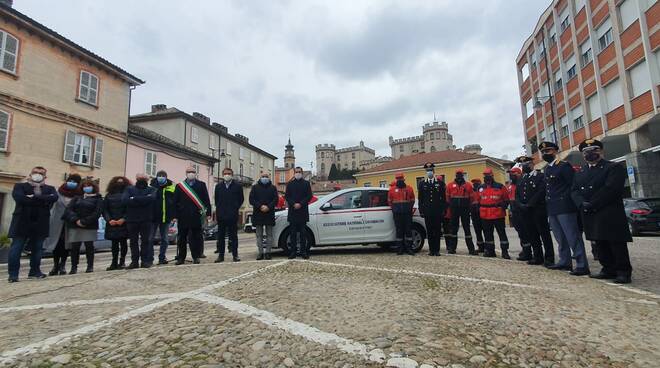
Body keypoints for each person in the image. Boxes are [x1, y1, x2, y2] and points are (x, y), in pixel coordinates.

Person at [572, 139, 630, 283]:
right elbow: (574, 191)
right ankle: (607, 268)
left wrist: (592, 203)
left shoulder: (613, 167)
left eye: (594, 150)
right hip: (590, 212)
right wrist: (581, 204)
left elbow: (611, 189)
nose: (590, 154)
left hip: (609, 211)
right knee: (600, 242)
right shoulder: (580, 172)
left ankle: (623, 271)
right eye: (586, 152)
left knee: (616, 243)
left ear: (601, 151)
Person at [539, 141, 589, 275]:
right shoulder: (547, 168)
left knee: (572, 236)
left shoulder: (563, 166)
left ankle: (581, 264)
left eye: (548, 151)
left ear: (555, 151)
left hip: (565, 206)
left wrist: (570, 202)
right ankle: (564, 261)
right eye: (543, 152)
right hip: (552, 207)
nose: (545, 154)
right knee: (560, 237)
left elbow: (572, 185)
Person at [7, 167, 58, 283]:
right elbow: (20, 198)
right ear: (30, 174)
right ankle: (13, 275)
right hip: (22, 221)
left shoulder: (50, 188)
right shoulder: (20, 186)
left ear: (45, 176)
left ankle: (35, 271)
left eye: (41, 173)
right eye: (35, 173)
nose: (38, 175)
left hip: (41, 222)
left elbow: (54, 198)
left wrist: (34, 197)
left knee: (38, 249)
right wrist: (43, 200)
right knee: (16, 248)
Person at [516, 156, 555, 266]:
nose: (524, 166)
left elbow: (541, 191)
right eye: (521, 164)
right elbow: (517, 195)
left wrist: (530, 204)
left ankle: (549, 258)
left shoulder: (540, 176)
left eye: (526, 163)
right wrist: (520, 204)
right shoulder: (521, 179)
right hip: (525, 211)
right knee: (532, 234)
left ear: (532, 164)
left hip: (538, 210)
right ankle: (537, 256)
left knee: (544, 234)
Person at [44, 173, 82, 276]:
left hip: (71, 222)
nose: (72, 183)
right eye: (71, 180)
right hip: (57, 222)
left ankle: (63, 265)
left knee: (66, 245)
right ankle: (55, 265)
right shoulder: (58, 192)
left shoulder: (79, 195)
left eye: (75, 182)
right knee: (56, 244)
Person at [173, 166, 212, 265]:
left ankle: (196, 257)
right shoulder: (180, 186)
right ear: (186, 173)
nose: (191, 173)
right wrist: (174, 215)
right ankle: (181, 258)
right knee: (182, 238)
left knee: (195, 237)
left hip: (196, 215)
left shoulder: (201, 185)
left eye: (193, 172)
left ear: (195, 173)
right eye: (189, 172)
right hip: (183, 216)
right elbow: (175, 202)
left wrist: (208, 213)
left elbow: (206, 200)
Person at [63, 178, 102, 274]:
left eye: (88, 186)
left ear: (93, 187)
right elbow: (68, 210)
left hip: (90, 225)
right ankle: (74, 267)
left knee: (89, 246)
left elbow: (97, 213)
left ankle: (90, 266)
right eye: (84, 186)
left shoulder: (98, 199)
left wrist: (85, 221)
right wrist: (76, 220)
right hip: (75, 225)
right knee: (74, 247)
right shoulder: (77, 198)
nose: (86, 188)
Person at [122, 173, 156, 269]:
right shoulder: (129, 189)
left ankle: (144, 261)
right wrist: (145, 199)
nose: (142, 180)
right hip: (132, 219)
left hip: (146, 219)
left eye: (144, 178)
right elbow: (125, 200)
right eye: (140, 178)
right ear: (136, 178)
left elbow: (152, 198)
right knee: (133, 241)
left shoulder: (152, 189)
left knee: (146, 241)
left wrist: (134, 198)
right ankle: (134, 261)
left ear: (147, 180)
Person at [477, 168, 510, 258]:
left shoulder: (500, 186)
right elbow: (477, 201)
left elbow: (506, 199)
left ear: (492, 176)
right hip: (485, 215)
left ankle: (504, 251)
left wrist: (503, 205)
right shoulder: (480, 188)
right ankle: (490, 251)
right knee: (487, 234)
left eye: (488, 175)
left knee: (502, 233)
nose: (486, 177)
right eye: (485, 176)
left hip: (498, 214)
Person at [215, 168, 245, 263]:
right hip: (221, 215)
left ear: (232, 175)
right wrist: (219, 210)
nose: (227, 175)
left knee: (233, 236)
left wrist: (235, 207)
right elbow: (216, 200)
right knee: (220, 237)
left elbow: (241, 199)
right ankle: (221, 256)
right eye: (225, 173)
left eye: (228, 173)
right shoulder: (218, 186)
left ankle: (235, 255)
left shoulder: (237, 186)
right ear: (222, 175)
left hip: (232, 215)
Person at [417, 163, 446, 256]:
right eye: (427, 170)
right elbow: (420, 199)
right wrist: (421, 211)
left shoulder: (440, 183)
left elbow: (443, 198)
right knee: (429, 231)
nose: (429, 172)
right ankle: (431, 250)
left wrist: (443, 210)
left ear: (434, 171)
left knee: (437, 231)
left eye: (431, 170)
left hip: (437, 211)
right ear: (426, 172)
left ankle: (437, 250)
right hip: (427, 212)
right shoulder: (422, 184)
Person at [446, 169, 477, 255]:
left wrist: (471, 208)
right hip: (454, 210)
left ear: (462, 175)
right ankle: (452, 248)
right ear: (455, 175)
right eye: (457, 174)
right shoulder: (450, 185)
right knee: (453, 230)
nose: (459, 176)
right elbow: (447, 199)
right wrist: (449, 209)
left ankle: (471, 249)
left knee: (467, 229)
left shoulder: (468, 185)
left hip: (465, 210)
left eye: (460, 174)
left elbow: (472, 198)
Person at [249, 171, 279, 260]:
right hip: (258, 214)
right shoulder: (254, 187)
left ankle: (268, 252)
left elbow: (275, 200)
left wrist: (268, 207)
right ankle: (260, 252)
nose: (264, 178)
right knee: (259, 235)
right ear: (260, 177)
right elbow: (251, 200)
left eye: (266, 176)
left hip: (269, 214)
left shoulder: (273, 188)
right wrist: (260, 206)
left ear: (269, 177)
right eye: (263, 176)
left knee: (270, 235)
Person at [285, 166, 313, 259]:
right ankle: (293, 252)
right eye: (296, 172)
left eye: (299, 172)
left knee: (303, 233)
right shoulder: (290, 184)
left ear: (302, 172)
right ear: (294, 173)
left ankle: (303, 252)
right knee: (292, 233)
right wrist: (294, 204)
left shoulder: (306, 184)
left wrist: (300, 204)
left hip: (303, 211)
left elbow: (309, 196)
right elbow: (287, 197)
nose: (298, 173)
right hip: (293, 211)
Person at [103, 176, 130, 270]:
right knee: (114, 244)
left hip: (123, 223)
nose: (119, 184)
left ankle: (122, 262)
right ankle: (114, 262)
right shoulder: (108, 195)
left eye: (121, 182)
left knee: (123, 243)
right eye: (118, 182)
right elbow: (105, 209)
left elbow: (129, 209)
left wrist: (124, 219)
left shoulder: (127, 194)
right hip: (112, 223)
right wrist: (109, 220)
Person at [150, 170, 176, 265]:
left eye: (162, 176)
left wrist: (174, 215)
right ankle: (150, 258)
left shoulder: (171, 187)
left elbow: (174, 203)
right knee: (150, 239)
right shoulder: (151, 187)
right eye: (159, 175)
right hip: (153, 217)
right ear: (156, 177)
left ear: (166, 177)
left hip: (166, 217)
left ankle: (162, 257)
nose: (161, 177)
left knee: (164, 239)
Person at [388, 172, 416, 256]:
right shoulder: (392, 190)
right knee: (399, 231)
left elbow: (413, 199)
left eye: (401, 178)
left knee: (408, 231)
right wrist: (394, 209)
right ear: (396, 180)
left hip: (407, 213)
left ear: (404, 179)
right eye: (398, 178)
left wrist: (408, 208)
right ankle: (400, 249)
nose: (399, 180)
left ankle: (409, 248)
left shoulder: (409, 188)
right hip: (397, 214)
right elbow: (389, 201)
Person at [507, 167, 531, 261]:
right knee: (520, 233)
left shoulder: (522, 184)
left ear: (519, 173)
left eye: (513, 173)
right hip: (514, 211)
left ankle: (528, 251)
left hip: (522, 211)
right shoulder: (510, 185)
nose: (511, 175)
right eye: (510, 173)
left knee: (526, 232)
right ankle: (525, 249)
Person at [469, 178, 485, 253]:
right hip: (474, 213)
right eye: (474, 183)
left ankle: (488, 247)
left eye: (476, 183)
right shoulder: (471, 192)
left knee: (486, 231)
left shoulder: (482, 190)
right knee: (477, 231)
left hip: (482, 213)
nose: (475, 184)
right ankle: (480, 246)